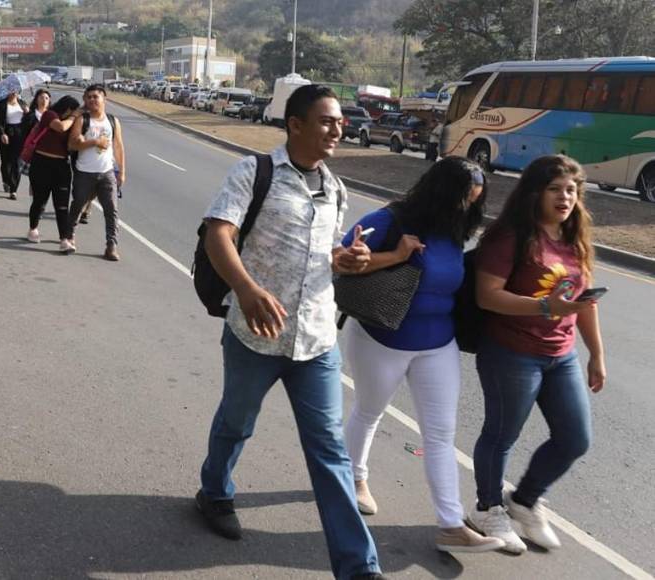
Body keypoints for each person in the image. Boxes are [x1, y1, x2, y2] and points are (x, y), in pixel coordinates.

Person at [195, 84, 383, 580]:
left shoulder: (336, 188)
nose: (338, 129)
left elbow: (325, 259)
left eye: (340, 122)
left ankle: (359, 568)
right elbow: (219, 233)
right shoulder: (252, 173)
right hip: (255, 335)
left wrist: (347, 261)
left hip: (317, 340)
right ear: (294, 125)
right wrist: (248, 289)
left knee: (329, 453)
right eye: (326, 121)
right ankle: (214, 492)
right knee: (236, 422)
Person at [339, 157, 504, 553]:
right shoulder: (393, 219)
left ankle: (450, 524)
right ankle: (353, 477)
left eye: (474, 201)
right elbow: (343, 259)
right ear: (440, 192)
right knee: (368, 410)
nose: (466, 207)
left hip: (438, 345)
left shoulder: (455, 228)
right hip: (383, 338)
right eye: (463, 198)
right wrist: (394, 256)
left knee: (441, 434)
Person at [466, 154, 605, 553]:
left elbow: (584, 303)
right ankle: (487, 508)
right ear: (534, 192)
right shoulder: (510, 235)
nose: (566, 197)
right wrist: (546, 308)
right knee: (502, 434)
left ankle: (523, 501)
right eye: (555, 189)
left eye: (572, 190)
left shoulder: (574, 237)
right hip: (511, 352)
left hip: (561, 355)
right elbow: (487, 296)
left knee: (575, 438)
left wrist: (596, 354)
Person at [68, 84, 126, 261]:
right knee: (77, 205)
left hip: (106, 172)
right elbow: (72, 144)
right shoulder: (82, 120)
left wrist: (121, 172)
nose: (92, 99)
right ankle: (69, 237)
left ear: (104, 99)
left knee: (111, 210)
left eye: (96, 96)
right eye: (89, 97)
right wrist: (93, 142)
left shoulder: (112, 121)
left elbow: (118, 147)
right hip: (84, 172)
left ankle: (111, 245)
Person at [26, 95, 80, 250]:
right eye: (72, 112)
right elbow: (60, 127)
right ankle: (33, 228)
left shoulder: (73, 122)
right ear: (68, 109)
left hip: (62, 166)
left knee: (62, 205)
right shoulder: (50, 115)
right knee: (39, 201)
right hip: (42, 163)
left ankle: (64, 239)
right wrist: (75, 116)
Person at [0, 90, 29, 200]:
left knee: (17, 162)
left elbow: (29, 119)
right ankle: (6, 180)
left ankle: (14, 190)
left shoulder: (22, 103)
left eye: (16, 91)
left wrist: (27, 112)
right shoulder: (2, 104)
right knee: (6, 161)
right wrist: (2, 133)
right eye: (12, 91)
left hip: (20, 134)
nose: (14, 93)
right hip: (7, 132)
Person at [22, 89, 52, 197]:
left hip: (48, 151)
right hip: (33, 151)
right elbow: (24, 133)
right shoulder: (30, 115)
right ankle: (35, 202)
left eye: (46, 98)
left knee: (45, 180)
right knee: (34, 179)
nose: (44, 100)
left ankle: (40, 201)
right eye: (41, 97)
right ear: (36, 99)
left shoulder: (53, 117)